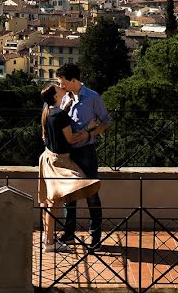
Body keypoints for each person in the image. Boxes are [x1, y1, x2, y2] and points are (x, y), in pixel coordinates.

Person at [38, 84, 101, 252]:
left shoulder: (48, 111)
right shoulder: (60, 116)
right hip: (61, 162)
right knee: (56, 201)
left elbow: (54, 129)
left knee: (47, 201)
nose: (61, 87)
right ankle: (50, 243)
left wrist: (65, 109)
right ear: (56, 96)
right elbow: (71, 139)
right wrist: (89, 129)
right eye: (57, 88)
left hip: (48, 158)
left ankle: (48, 236)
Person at [56, 63, 111, 251]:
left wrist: (89, 134)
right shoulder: (66, 98)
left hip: (86, 152)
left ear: (73, 80)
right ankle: (68, 233)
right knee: (69, 194)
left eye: (62, 81)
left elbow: (106, 121)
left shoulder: (93, 97)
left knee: (91, 195)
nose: (60, 85)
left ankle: (95, 238)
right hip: (68, 153)